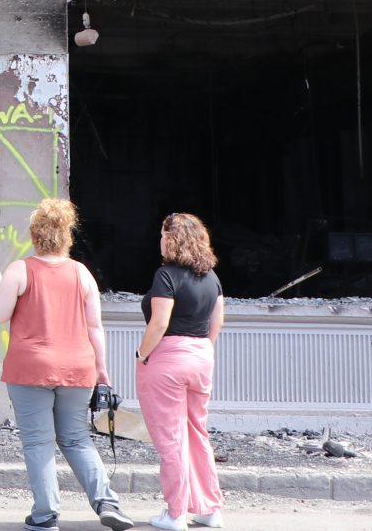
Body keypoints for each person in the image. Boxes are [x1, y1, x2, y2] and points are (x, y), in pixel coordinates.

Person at [0, 198, 134, 531]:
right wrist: (102, 371)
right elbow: (95, 327)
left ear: (34, 235)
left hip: (31, 369)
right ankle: (107, 503)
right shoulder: (82, 274)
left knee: (39, 442)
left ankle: (45, 515)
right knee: (77, 439)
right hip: (78, 368)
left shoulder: (20, 270)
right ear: (67, 235)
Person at [134, 213, 227, 531]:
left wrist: (142, 354)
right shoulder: (212, 277)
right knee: (197, 433)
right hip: (201, 356)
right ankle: (209, 509)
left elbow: (159, 322)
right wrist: (203, 350)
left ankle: (175, 513)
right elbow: (217, 322)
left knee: (171, 438)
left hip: (168, 359)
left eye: (163, 235)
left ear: (173, 240)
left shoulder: (165, 275)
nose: (160, 241)